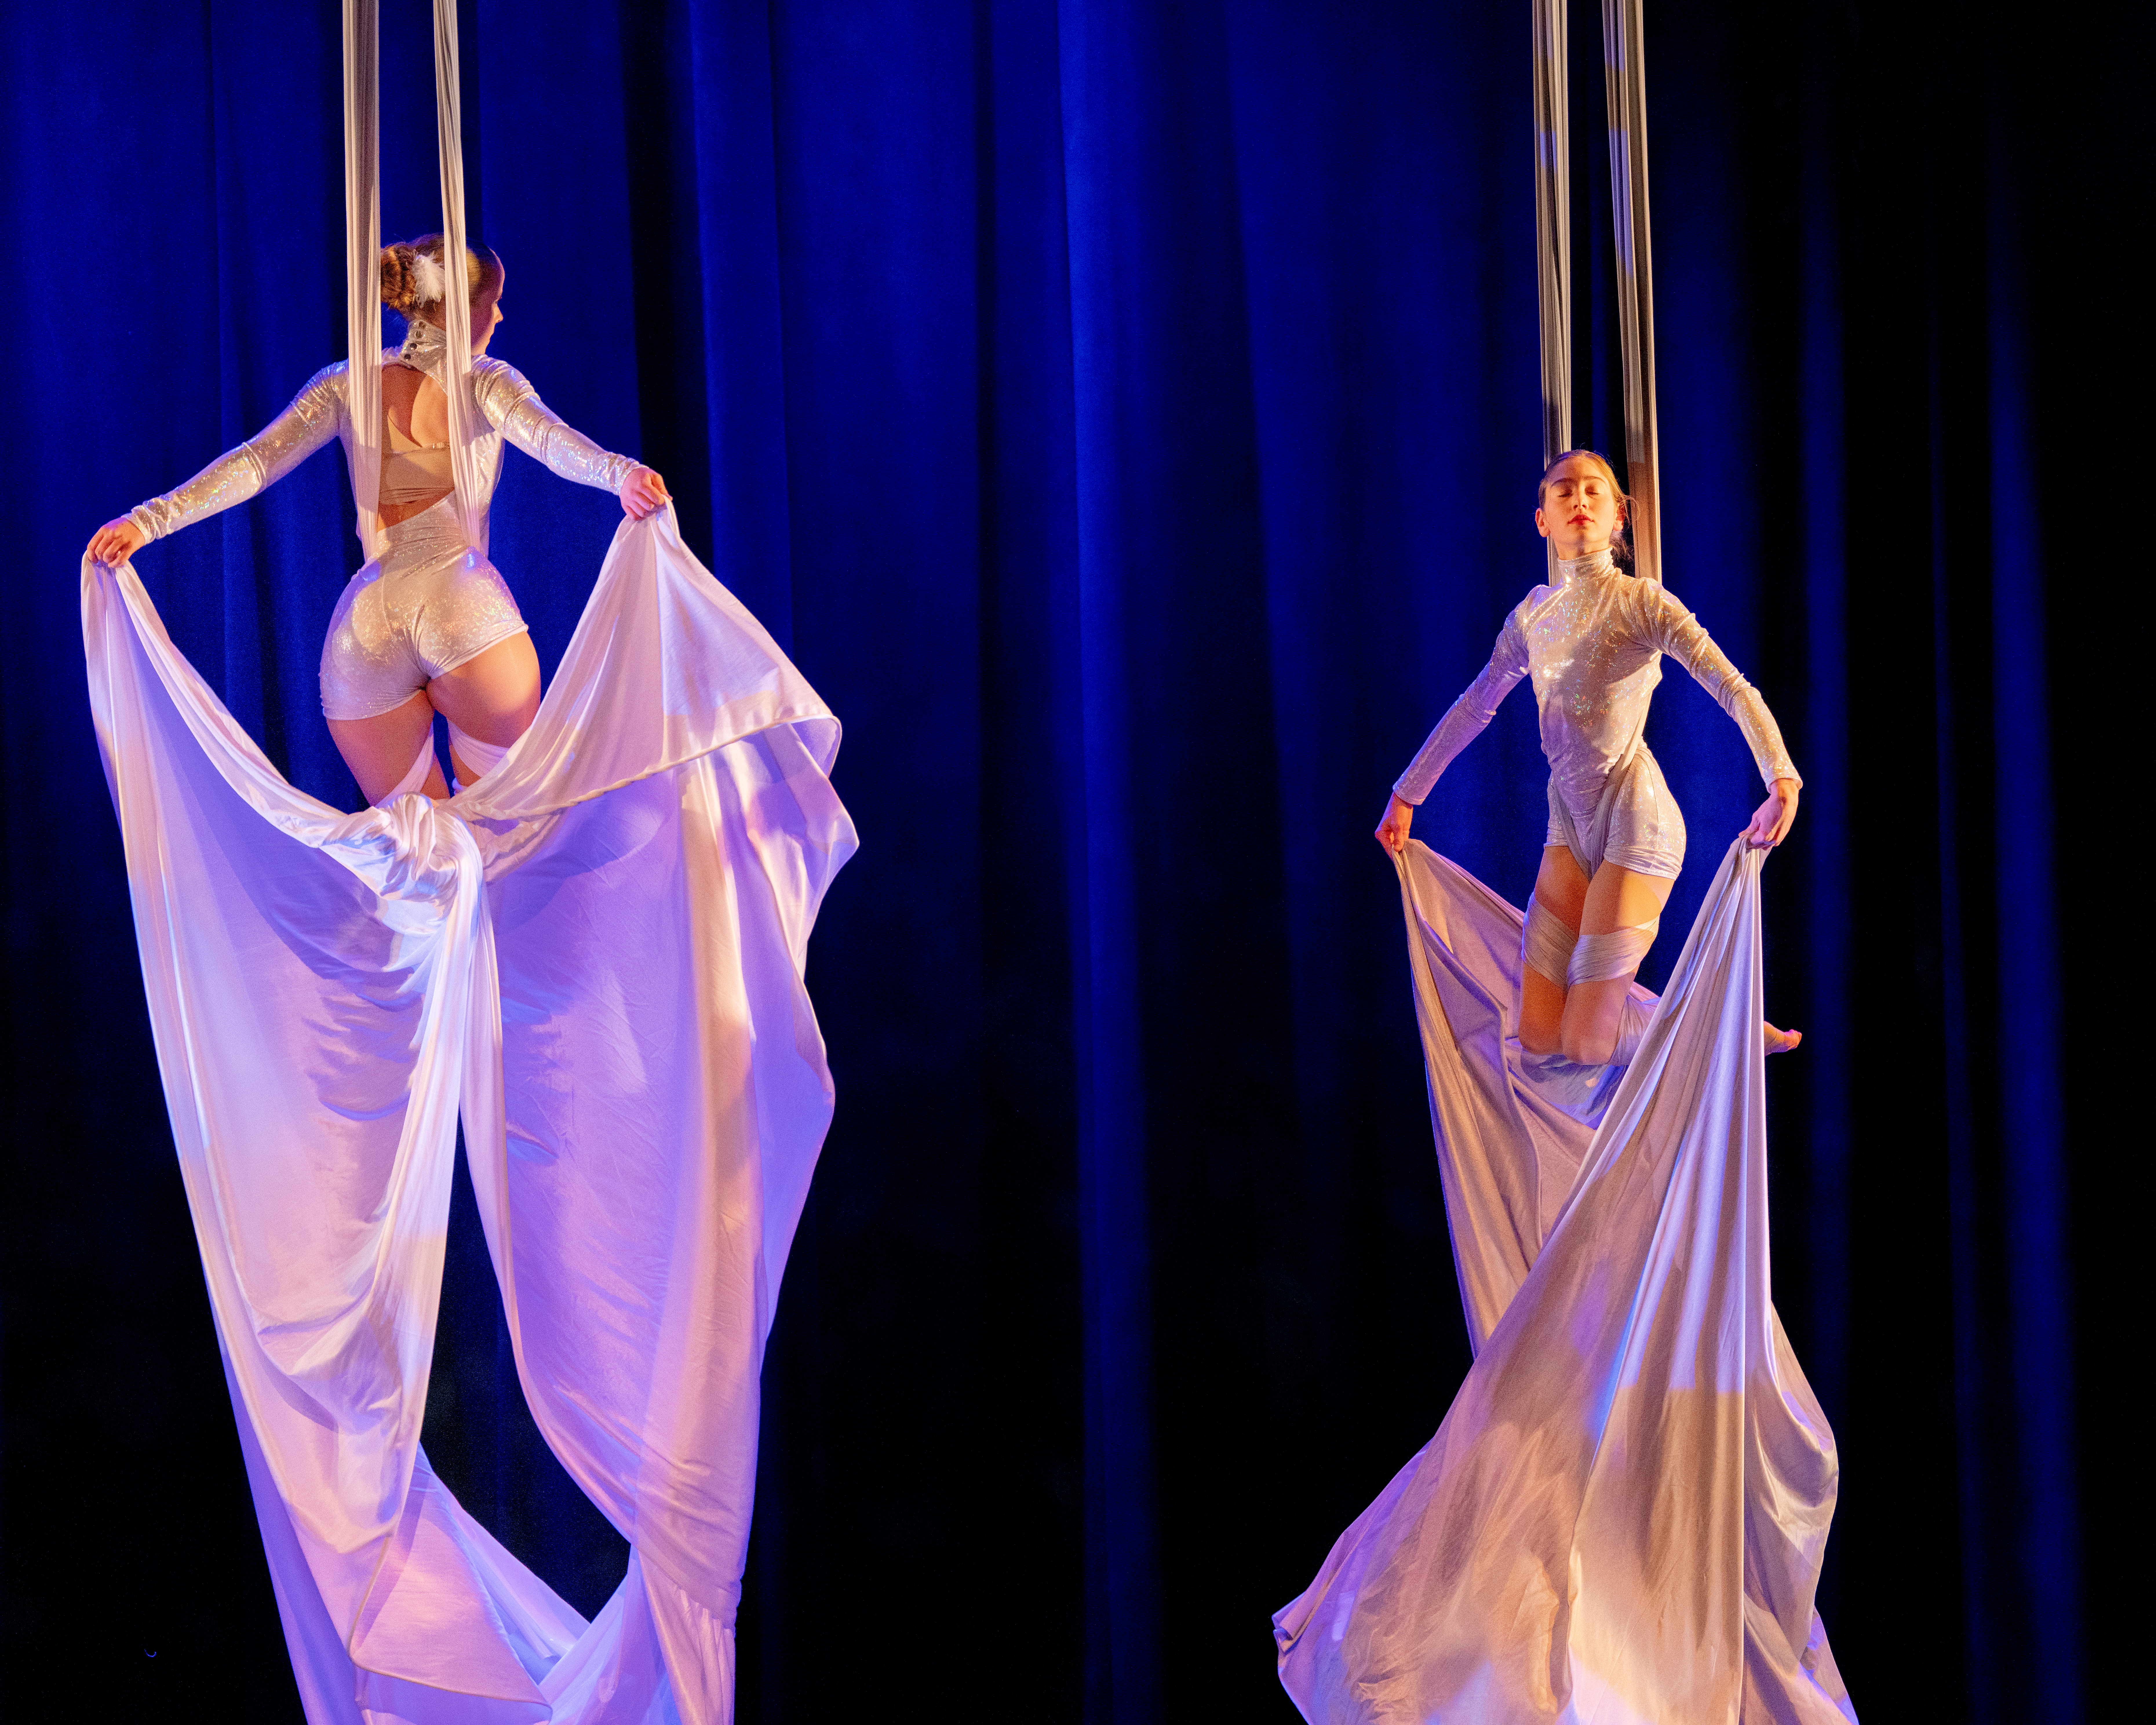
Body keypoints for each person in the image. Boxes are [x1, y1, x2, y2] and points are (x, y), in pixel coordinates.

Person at [86, 234, 671, 804]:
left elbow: (255, 462)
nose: (501, 316)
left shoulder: (347, 384)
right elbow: (548, 438)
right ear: (468, 310)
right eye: (494, 302)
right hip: (463, 611)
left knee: (418, 865)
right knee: (503, 839)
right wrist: (620, 475)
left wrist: (147, 522)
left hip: (364, 633)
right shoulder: (488, 381)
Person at [1373, 448, 1801, 1067]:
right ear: (1541, 519)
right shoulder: (1531, 617)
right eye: (1563, 491)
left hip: (1637, 818)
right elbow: (1475, 705)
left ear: (1620, 516)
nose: (1579, 499)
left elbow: (1733, 688)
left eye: (1594, 490)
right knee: (1542, 1037)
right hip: (1568, 823)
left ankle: (1721, 1029)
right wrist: (1406, 793)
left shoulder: (1641, 603)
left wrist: (1780, 777)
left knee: (1585, 1041)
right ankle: (1702, 1019)